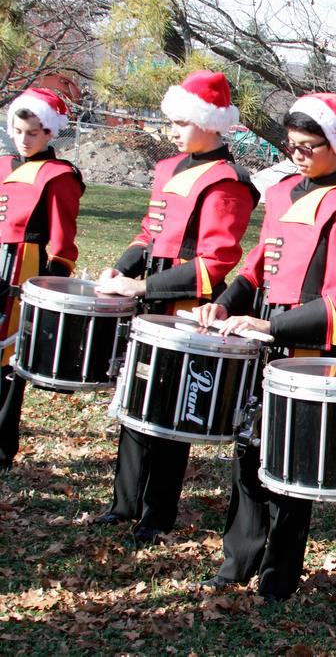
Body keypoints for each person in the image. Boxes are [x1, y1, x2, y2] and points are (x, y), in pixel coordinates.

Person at [191, 93, 336, 601]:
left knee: (291, 462)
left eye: (309, 147)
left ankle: (279, 574)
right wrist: (227, 302)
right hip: (264, 331)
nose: (298, 155)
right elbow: (259, 262)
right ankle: (239, 559)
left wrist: (272, 329)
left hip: (311, 343)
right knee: (247, 450)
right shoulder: (282, 193)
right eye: (292, 146)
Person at [94, 70, 259, 545]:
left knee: (168, 410)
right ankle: (123, 504)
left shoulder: (230, 181)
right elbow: (148, 230)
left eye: (181, 122)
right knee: (134, 398)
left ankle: (157, 513)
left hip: (186, 301)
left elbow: (215, 262)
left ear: (210, 123)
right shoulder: (168, 168)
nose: (172, 131)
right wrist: (121, 270)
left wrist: (142, 287)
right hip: (148, 294)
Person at [0, 88, 83, 470]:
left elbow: (63, 243)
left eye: (33, 132)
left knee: (7, 360)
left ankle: (2, 445)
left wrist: (45, 289)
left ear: (50, 132)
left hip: (23, 267)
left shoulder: (59, 175)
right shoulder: (3, 164)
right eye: (18, 131)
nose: (24, 139)